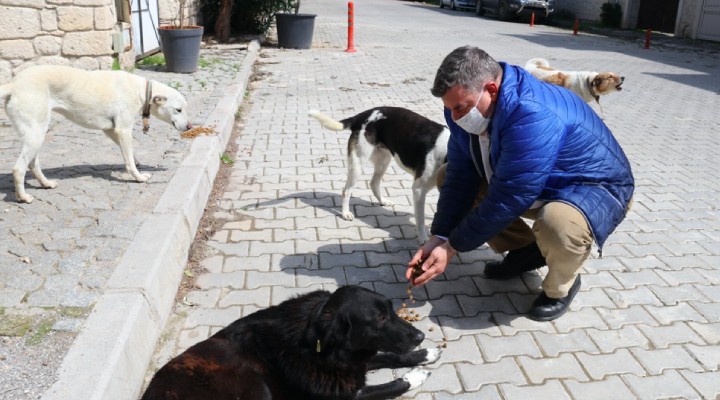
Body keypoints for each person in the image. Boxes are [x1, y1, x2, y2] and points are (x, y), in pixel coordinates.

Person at [406, 46, 634, 321]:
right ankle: (526, 251)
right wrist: (439, 236)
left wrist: (452, 247)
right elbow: (460, 175)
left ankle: (561, 285)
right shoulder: (465, 108)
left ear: (491, 89)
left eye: (460, 108)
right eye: (449, 108)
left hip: (594, 188)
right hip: (539, 183)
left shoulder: (531, 112)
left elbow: (511, 194)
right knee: (446, 174)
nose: (454, 117)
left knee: (557, 224)